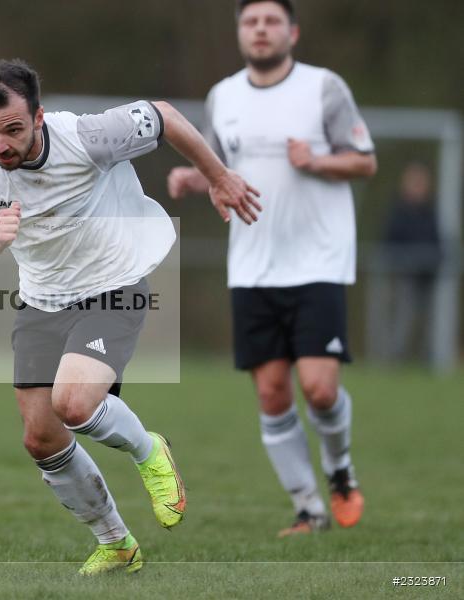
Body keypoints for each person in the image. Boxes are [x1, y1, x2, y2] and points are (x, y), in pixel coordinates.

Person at [0, 59, 261, 575]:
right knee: (40, 437)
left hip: (112, 283)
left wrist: (219, 176)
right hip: (41, 297)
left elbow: (163, 116)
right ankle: (115, 542)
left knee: (74, 403)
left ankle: (149, 450)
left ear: (39, 118)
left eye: (13, 130)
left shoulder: (87, 137)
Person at [168, 0, 377, 536]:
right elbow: (218, 167)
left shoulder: (323, 87)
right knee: (271, 394)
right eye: (251, 22)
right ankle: (309, 508)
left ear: (293, 32)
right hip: (252, 267)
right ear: (240, 32)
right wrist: (194, 179)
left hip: (318, 262)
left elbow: (365, 160)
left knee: (320, 390)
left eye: (271, 21)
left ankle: (340, 470)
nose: (260, 30)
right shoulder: (223, 96)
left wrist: (317, 160)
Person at [382, 162, 441, 362]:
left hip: (427, 276)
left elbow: (437, 240)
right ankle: (396, 360)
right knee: (402, 320)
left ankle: (427, 360)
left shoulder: (430, 211)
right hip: (404, 276)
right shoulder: (398, 212)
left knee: (429, 322)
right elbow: (390, 242)